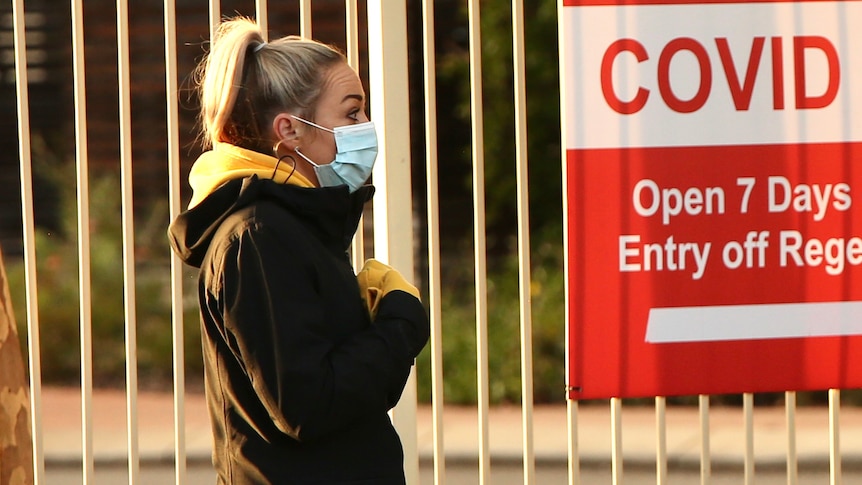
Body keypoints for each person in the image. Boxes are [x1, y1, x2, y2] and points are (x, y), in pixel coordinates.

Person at [167, 17, 429, 485]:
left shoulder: (290, 225)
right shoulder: (257, 239)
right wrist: (401, 320)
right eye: (351, 113)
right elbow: (308, 405)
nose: (365, 127)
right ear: (289, 130)